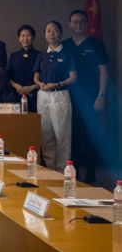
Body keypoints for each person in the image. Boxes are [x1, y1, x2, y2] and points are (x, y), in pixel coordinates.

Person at [62, 10, 109, 182]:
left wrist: (101, 95)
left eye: (82, 21)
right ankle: (73, 169)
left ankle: (90, 170)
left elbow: (104, 71)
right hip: (69, 97)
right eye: (75, 21)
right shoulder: (64, 45)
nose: (78, 24)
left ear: (87, 23)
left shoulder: (96, 44)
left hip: (92, 97)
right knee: (71, 135)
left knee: (90, 135)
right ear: (69, 24)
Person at [33, 21, 77, 172]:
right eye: (48, 31)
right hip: (43, 95)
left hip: (60, 95)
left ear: (61, 34)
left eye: (55, 31)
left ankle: (62, 170)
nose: (51, 34)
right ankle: (50, 169)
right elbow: (36, 76)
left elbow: (73, 77)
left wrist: (57, 84)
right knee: (45, 134)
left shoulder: (67, 53)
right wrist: (40, 84)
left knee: (62, 134)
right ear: (45, 34)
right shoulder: (42, 55)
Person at [7, 25, 40, 113]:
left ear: (33, 37)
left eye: (28, 35)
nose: (25, 38)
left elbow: (44, 77)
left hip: (35, 94)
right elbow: (8, 76)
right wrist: (17, 87)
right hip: (17, 94)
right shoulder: (14, 56)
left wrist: (33, 87)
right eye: (22, 36)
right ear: (19, 38)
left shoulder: (40, 55)